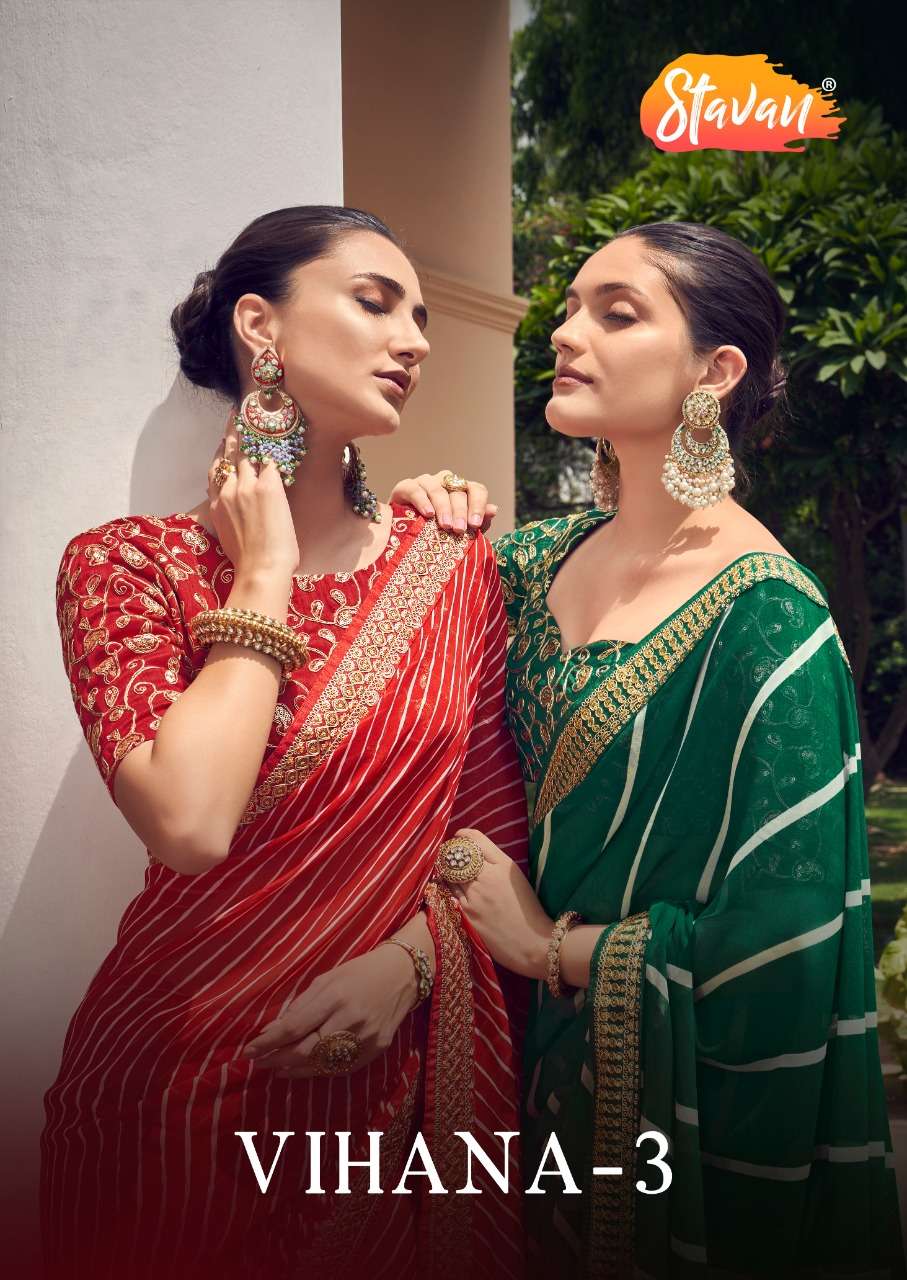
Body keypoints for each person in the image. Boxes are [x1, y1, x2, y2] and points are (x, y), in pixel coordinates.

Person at [392, 222, 904, 1277]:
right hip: (491, 1066)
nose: (564, 332)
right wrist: (402, 530)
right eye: (569, 307)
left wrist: (547, 947)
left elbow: (781, 948)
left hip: (663, 1128)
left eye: (615, 313)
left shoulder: (768, 622)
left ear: (715, 373)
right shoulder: (525, 562)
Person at [41, 206, 528, 1280]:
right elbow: (188, 823)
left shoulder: (451, 565)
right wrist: (262, 576)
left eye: (421, 316)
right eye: (375, 302)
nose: (414, 340)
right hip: (162, 1101)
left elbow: (491, 833)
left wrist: (408, 965)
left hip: (378, 1095)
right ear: (260, 325)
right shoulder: (127, 568)